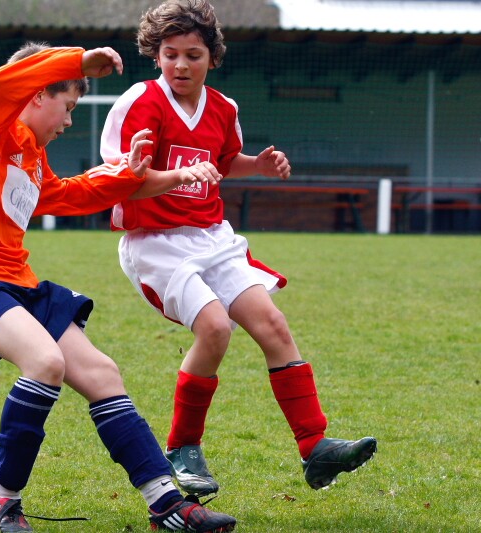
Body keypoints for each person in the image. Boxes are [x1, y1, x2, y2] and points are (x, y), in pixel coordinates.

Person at [0, 41, 235, 532]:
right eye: (67, 106)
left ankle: (167, 505)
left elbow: (66, 194)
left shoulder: (31, 155)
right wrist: (79, 60)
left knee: (102, 373)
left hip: (14, 282)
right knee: (46, 363)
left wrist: (128, 175)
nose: (68, 121)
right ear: (37, 93)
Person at [100, 0, 377, 497]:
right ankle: (183, 448)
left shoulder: (223, 108)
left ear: (213, 57)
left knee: (273, 324)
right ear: (156, 55)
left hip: (212, 237)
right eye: (170, 54)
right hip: (156, 242)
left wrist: (259, 165)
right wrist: (179, 175)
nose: (180, 65)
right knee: (213, 328)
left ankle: (315, 446)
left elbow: (223, 160)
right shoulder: (140, 102)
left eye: (193, 55)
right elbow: (123, 181)